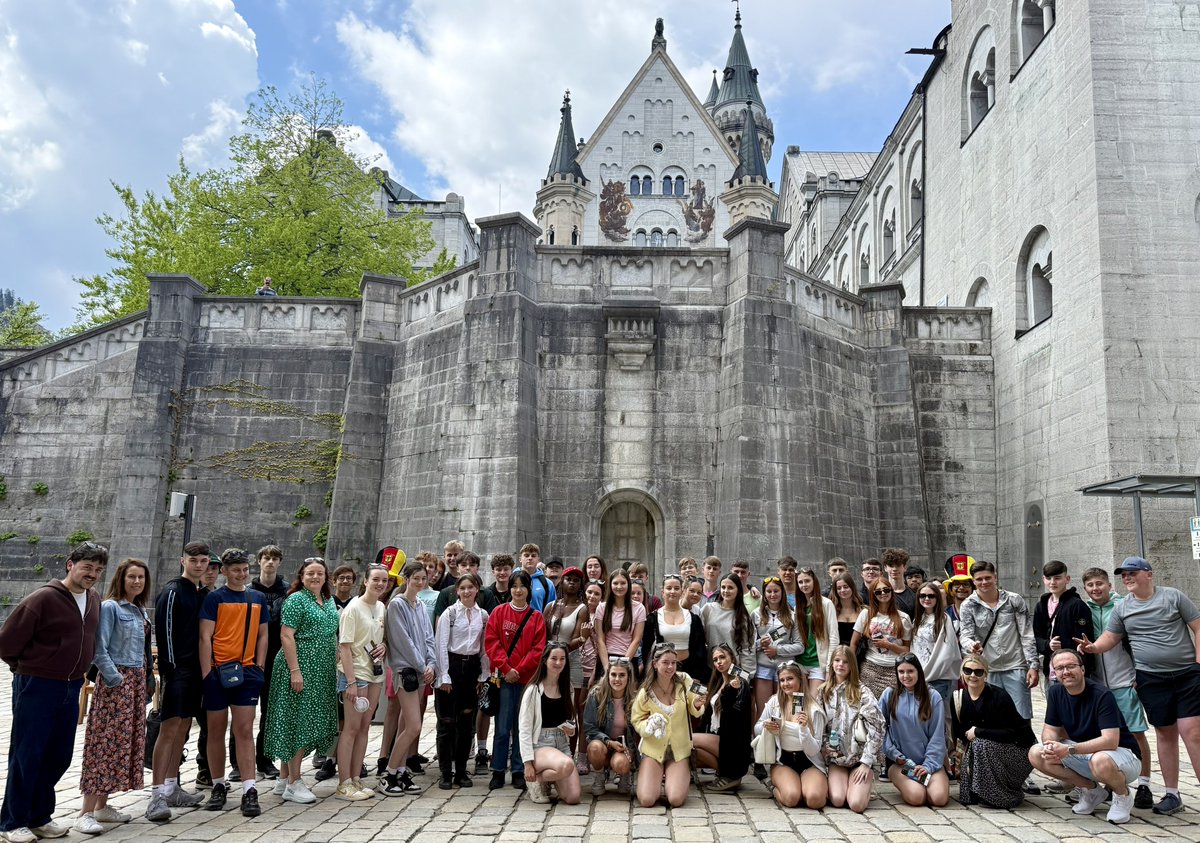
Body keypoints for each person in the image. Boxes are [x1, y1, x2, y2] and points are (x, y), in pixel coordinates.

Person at [1076, 556, 1200, 816]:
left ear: (1149, 574)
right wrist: (1092, 647)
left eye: (1133, 572)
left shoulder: (1173, 597)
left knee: (1192, 732)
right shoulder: (1123, 608)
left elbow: (1198, 627)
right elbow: (1110, 637)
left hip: (1188, 675)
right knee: (1165, 733)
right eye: (1124, 574)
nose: (1127, 577)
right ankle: (1172, 794)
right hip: (1151, 678)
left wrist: (1199, 664)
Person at [0, 542, 106, 843]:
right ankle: (11, 822)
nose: (93, 574)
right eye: (87, 567)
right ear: (70, 565)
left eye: (98, 570)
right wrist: (31, 668)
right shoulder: (43, 598)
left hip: (72, 685)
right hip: (38, 684)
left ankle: (38, 817)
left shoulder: (94, 599)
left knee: (58, 755)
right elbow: (7, 644)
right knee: (27, 754)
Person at [75, 558, 152, 835]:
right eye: (132, 577)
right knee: (103, 746)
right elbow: (99, 647)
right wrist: (116, 679)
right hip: (116, 683)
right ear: (122, 578)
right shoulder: (110, 607)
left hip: (135, 682)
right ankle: (85, 811)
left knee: (121, 745)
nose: (136, 582)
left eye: (141, 578)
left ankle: (102, 806)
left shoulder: (140, 610)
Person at [1028, 650, 1144, 824]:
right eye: (1059, 668)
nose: (1065, 671)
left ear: (1082, 669)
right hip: (1085, 753)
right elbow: (1050, 730)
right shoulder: (1056, 693)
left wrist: (1068, 750)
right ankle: (1091, 790)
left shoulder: (1102, 695)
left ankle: (1122, 795)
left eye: (1071, 666)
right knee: (1036, 753)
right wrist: (1051, 744)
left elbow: (1110, 741)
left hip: (1123, 757)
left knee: (1100, 760)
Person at [263, 557, 340, 805]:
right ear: (302, 576)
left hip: (321, 670)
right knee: (299, 722)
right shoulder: (296, 600)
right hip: (301, 668)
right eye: (310, 574)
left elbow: (331, 632)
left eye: (320, 573)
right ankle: (295, 782)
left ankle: (284, 778)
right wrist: (295, 671)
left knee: (300, 719)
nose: (315, 577)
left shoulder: (327, 600)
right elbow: (286, 635)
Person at [198, 548, 269, 817]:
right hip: (218, 672)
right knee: (215, 730)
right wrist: (207, 673)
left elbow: (263, 635)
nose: (241, 574)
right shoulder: (214, 598)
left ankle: (250, 789)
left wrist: (259, 666)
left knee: (243, 730)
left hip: (248, 671)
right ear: (224, 571)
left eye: (244, 569)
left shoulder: (258, 598)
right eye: (235, 570)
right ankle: (218, 784)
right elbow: (206, 637)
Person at [1080, 566, 1155, 808]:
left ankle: (1144, 783)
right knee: (1105, 737)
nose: (1095, 589)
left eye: (1099, 584)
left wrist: (1139, 673)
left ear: (1109, 585)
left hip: (1124, 680)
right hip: (1098, 684)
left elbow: (1139, 640)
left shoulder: (1124, 605)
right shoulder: (1085, 610)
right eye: (1090, 585)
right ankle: (1113, 784)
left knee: (1135, 732)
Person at [147, 541, 210, 821]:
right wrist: (170, 673)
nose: (199, 565)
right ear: (182, 560)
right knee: (169, 729)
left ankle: (173, 786)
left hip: (197, 672)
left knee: (184, 728)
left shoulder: (202, 593)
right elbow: (165, 633)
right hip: (178, 673)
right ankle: (157, 795)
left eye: (203, 561)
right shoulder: (173, 591)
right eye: (193, 560)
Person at [484, 570, 548, 790]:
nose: (518, 590)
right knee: (502, 726)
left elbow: (538, 648)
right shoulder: (498, 613)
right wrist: (506, 667)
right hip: (503, 678)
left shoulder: (536, 617)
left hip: (525, 679)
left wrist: (519, 670)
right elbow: (492, 643)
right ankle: (498, 770)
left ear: (529, 589)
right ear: (509, 588)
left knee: (522, 726)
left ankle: (519, 769)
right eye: (514, 586)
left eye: (522, 586)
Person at [957, 560, 1039, 729]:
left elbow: (1026, 634)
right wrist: (971, 645)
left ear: (995, 577)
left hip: (1015, 665)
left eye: (988, 578)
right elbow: (965, 635)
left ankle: (1024, 753)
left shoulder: (1014, 600)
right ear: (973, 581)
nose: (984, 582)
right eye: (979, 579)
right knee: (991, 716)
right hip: (988, 669)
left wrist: (1033, 665)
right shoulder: (968, 605)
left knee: (1021, 715)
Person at [950, 655, 1035, 808]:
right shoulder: (958, 697)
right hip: (980, 749)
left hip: (1018, 751)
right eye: (968, 671)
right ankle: (981, 790)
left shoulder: (999, 696)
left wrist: (979, 732)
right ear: (962, 672)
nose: (972, 676)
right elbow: (958, 731)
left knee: (981, 744)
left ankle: (999, 796)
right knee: (968, 796)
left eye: (978, 672)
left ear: (986, 674)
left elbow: (1013, 733)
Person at [335, 564, 389, 802]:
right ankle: (344, 782)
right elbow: (344, 647)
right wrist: (350, 682)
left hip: (376, 673)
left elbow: (379, 637)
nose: (380, 584)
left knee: (365, 727)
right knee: (351, 728)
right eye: (375, 579)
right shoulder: (353, 608)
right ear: (366, 581)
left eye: (384, 580)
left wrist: (383, 646)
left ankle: (356, 777)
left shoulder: (381, 607)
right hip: (356, 673)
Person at [381, 560, 435, 796]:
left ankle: (401, 771)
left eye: (424, 579)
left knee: (406, 724)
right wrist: (423, 665)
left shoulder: (421, 605)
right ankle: (389, 773)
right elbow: (403, 641)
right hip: (406, 672)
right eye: (416, 579)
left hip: (422, 671)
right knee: (414, 725)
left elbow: (428, 636)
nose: (420, 582)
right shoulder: (396, 605)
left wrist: (432, 663)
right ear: (406, 579)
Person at [631, 643, 707, 808]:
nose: (670, 667)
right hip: (654, 750)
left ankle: (674, 777)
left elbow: (696, 707)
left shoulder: (685, 680)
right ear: (655, 664)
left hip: (679, 751)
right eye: (665, 662)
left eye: (673, 662)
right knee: (647, 800)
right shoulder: (646, 691)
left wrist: (698, 703)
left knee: (675, 799)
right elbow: (637, 721)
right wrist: (649, 725)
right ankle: (654, 777)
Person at [433, 573, 489, 789]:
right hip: (452, 666)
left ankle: (461, 770)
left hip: (471, 668)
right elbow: (441, 644)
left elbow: (484, 647)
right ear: (457, 590)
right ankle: (446, 771)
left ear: (477, 590)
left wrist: (483, 674)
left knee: (466, 723)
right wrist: (444, 675)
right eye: (462, 588)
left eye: (471, 587)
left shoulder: (483, 615)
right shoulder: (450, 614)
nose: (467, 591)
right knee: (446, 722)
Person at [237, 544, 287, 784]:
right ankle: (237, 764)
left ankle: (265, 760)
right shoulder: (246, 590)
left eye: (274, 558)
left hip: (276, 657)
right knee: (241, 713)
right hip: (247, 658)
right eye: (266, 557)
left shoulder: (287, 592)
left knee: (270, 712)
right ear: (259, 561)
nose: (270, 562)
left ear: (279, 562)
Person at [815, 645, 886, 813]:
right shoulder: (823, 692)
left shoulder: (862, 692)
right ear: (831, 663)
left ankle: (865, 786)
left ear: (852, 665)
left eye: (845, 662)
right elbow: (819, 726)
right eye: (837, 660)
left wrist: (866, 762)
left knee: (856, 804)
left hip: (858, 760)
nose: (840, 665)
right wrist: (825, 748)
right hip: (836, 759)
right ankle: (842, 783)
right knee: (838, 800)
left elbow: (878, 727)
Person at [753, 662, 828, 808]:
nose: (785, 684)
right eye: (782, 680)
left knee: (814, 800)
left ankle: (818, 787)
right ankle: (776, 787)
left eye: (790, 679)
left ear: (800, 679)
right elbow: (756, 728)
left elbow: (813, 750)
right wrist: (765, 726)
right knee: (792, 798)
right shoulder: (775, 702)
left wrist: (804, 729)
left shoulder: (814, 709)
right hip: (784, 761)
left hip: (809, 762)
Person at [879, 653, 949, 807]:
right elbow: (880, 729)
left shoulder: (933, 697)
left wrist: (927, 766)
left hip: (930, 762)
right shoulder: (889, 695)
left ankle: (932, 778)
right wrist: (895, 755)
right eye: (901, 672)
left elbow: (938, 736)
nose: (906, 676)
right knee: (917, 797)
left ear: (918, 671)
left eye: (910, 671)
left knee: (938, 799)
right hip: (901, 763)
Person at [517, 644, 582, 804]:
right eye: (554, 658)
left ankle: (545, 779)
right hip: (540, 744)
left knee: (573, 797)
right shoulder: (533, 691)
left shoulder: (568, 688)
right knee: (566, 765)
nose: (558, 663)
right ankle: (534, 780)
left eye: (562, 659)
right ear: (545, 660)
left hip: (561, 743)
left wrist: (570, 729)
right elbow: (524, 729)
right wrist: (527, 764)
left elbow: (570, 722)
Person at [544, 566, 590, 772]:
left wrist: (559, 651)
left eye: (576, 580)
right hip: (551, 663)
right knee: (553, 708)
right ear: (561, 582)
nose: (572, 582)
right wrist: (551, 654)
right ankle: (553, 752)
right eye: (568, 579)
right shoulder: (551, 606)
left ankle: (575, 756)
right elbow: (544, 634)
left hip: (572, 661)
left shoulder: (583, 609)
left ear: (581, 585)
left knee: (574, 710)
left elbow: (580, 638)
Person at [693, 645, 753, 792]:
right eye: (715, 659)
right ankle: (726, 775)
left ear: (731, 658)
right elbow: (709, 717)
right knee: (692, 750)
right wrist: (698, 705)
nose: (719, 662)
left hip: (732, 742)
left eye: (722, 657)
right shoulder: (717, 682)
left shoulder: (741, 684)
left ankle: (732, 774)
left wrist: (730, 692)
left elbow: (736, 716)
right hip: (718, 737)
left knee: (688, 740)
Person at [583, 658, 639, 796]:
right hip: (603, 744)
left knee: (621, 765)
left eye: (622, 675)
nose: (617, 679)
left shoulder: (635, 698)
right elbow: (589, 727)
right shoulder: (596, 694)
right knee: (595, 748)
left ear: (628, 677)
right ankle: (599, 776)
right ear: (607, 676)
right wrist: (608, 742)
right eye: (613, 675)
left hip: (623, 746)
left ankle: (624, 774)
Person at [1033, 560, 1093, 685]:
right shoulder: (1041, 605)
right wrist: (1048, 645)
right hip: (1050, 672)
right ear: (1043, 579)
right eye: (1048, 578)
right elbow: (1035, 637)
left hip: (1073, 673)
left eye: (1057, 578)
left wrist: (1064, 644)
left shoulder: (1077, 606)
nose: (1052, 582)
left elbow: (1083, 640)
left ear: (1067, 579)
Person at [849, 579, 912, 698]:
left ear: (891, 591)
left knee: (890, 706)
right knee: (868, 706)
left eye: (886, 590)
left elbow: (907, 650)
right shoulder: (866, 614)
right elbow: (854, 643)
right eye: (878, 592)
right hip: (870, 666)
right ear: (873, 595)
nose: (883, 593)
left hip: (894, 668)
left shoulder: (903, 618)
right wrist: (851, 668)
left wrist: (889, 645)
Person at [752, 577, 804, 715]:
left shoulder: (792, 615)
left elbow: (800, 646)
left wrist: (777, 650)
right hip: (763, 668)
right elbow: (748, 645)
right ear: (764, 594)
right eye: (769, 591)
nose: (773, 594)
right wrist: (759, 644)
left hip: (786, 669)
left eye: (776, 591)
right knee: (764, 712)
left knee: (789, 711)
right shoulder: (756, 614)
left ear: (782, 592)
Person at [643, 574, 709, 682]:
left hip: (689, 671)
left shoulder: (693, 619)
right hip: (662, 672)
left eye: (676, 588)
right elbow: (647, 650)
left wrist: (697, 676)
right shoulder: (652, 619)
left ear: (682, 591)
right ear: (663, 592)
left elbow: (700, 649)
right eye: (669, 588)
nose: (672, 591)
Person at [910, 584, 961, 706]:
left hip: (938, 677)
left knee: (938, 715)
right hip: (920, 677)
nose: (926, 599)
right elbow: (914, 648)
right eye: (922, 595)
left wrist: (927, 674)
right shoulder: (917, 619)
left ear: (937, 598)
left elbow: (947, 652)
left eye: (931, 596)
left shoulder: (944, 619)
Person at [700, 574, 756, 674]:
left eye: (730, 588)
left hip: (733, 670)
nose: (726, 591)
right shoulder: (708, 609)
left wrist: (747, 675)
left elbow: (747, 649)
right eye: (723, 587)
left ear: (738, 590)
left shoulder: (743, 618)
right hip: (709, 667)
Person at [594, 569, 646, 673]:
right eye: (615, 583)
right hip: (606, 659)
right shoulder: (601, 608)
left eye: (623, 583)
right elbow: (600, 640)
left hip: (629, 659)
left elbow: (636, 640)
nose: (619, 587)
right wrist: (607, 668)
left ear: (628, 584)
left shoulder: (639, 608)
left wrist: (623, 664)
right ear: (610, 585)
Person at [796, 567, 838, 695]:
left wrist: (829, 668)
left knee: (814, 704)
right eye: (800, 582)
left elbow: (834, 637)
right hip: (800, 663)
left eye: (807, 581)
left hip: (818, 664)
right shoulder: (798, 607)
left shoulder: (826, 604)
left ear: (814, 581)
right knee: (798, 704)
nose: (804, 585)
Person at [881, 548, 917, 620]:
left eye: (898, 565)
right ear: (885, 568)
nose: (894, 569)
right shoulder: (879, 593)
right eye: (891, 565)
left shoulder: (914, 595)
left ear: (904, 567)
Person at [942, 554, 975, 633]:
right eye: (957, 584)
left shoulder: (982, 611)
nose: (961, 587)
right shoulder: (944, 614)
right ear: (950, 589)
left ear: (973, 588)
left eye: (966, 584)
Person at [831, 573, 864, 648]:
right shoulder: (831, 611)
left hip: (859, 654)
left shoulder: (863, 610)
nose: (842, 590)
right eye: (839, 588)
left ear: (852, 587)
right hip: (837, 654)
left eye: (845, 587)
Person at [520, 543, 556, 611]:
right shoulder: (511, 579)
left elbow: (552, 609)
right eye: (526, 555)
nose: (530, 558)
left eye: (533, 556)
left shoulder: (548, 584)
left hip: (538, 621)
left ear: (538, 559)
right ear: (520, 559)